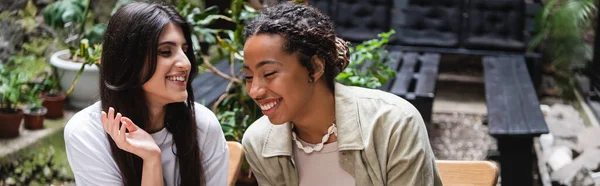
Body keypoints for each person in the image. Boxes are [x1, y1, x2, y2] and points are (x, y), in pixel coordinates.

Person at [241, 2, 442, 186]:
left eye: (269, 73)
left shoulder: (392, 125)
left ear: (315, 68)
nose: (255, 91)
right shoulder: (260, 142)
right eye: (249, 76)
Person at [64, 2, 229, 186]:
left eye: (185, 50)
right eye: (165, 52)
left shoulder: (203, 126)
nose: (185, 63)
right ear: (128, 62)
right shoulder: (88, 134)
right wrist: (151, 159)